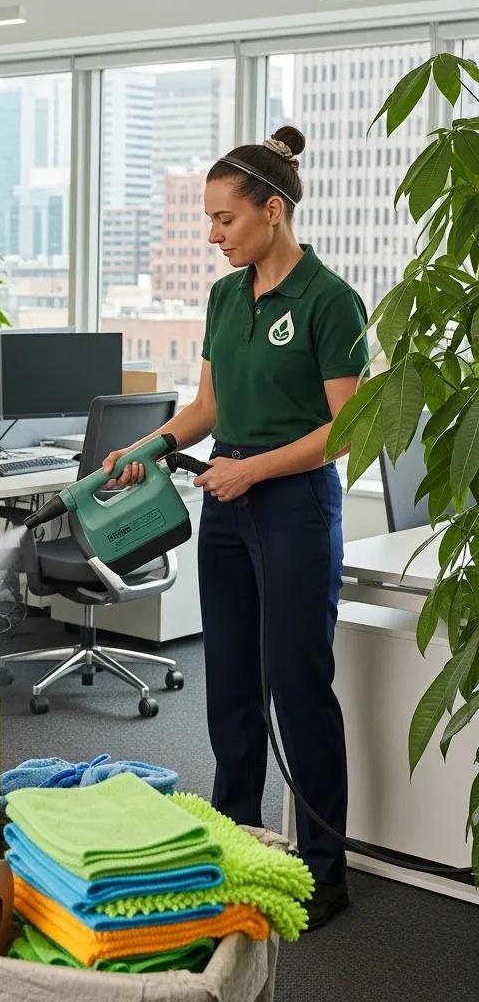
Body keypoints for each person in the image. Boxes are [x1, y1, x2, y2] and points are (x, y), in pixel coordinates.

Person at [103, 125, 369, 932]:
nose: (213, 235)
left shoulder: (330, 301)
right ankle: (233, 841)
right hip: (226, 505)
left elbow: (349, 430)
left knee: (299, 691)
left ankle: (326, 872)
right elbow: (208, 411)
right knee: (231, 694)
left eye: (225, 220)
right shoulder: (225, 296)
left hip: (293, 507)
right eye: (212, 221)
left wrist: (253, 469)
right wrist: (147, 447)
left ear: (273, 212)